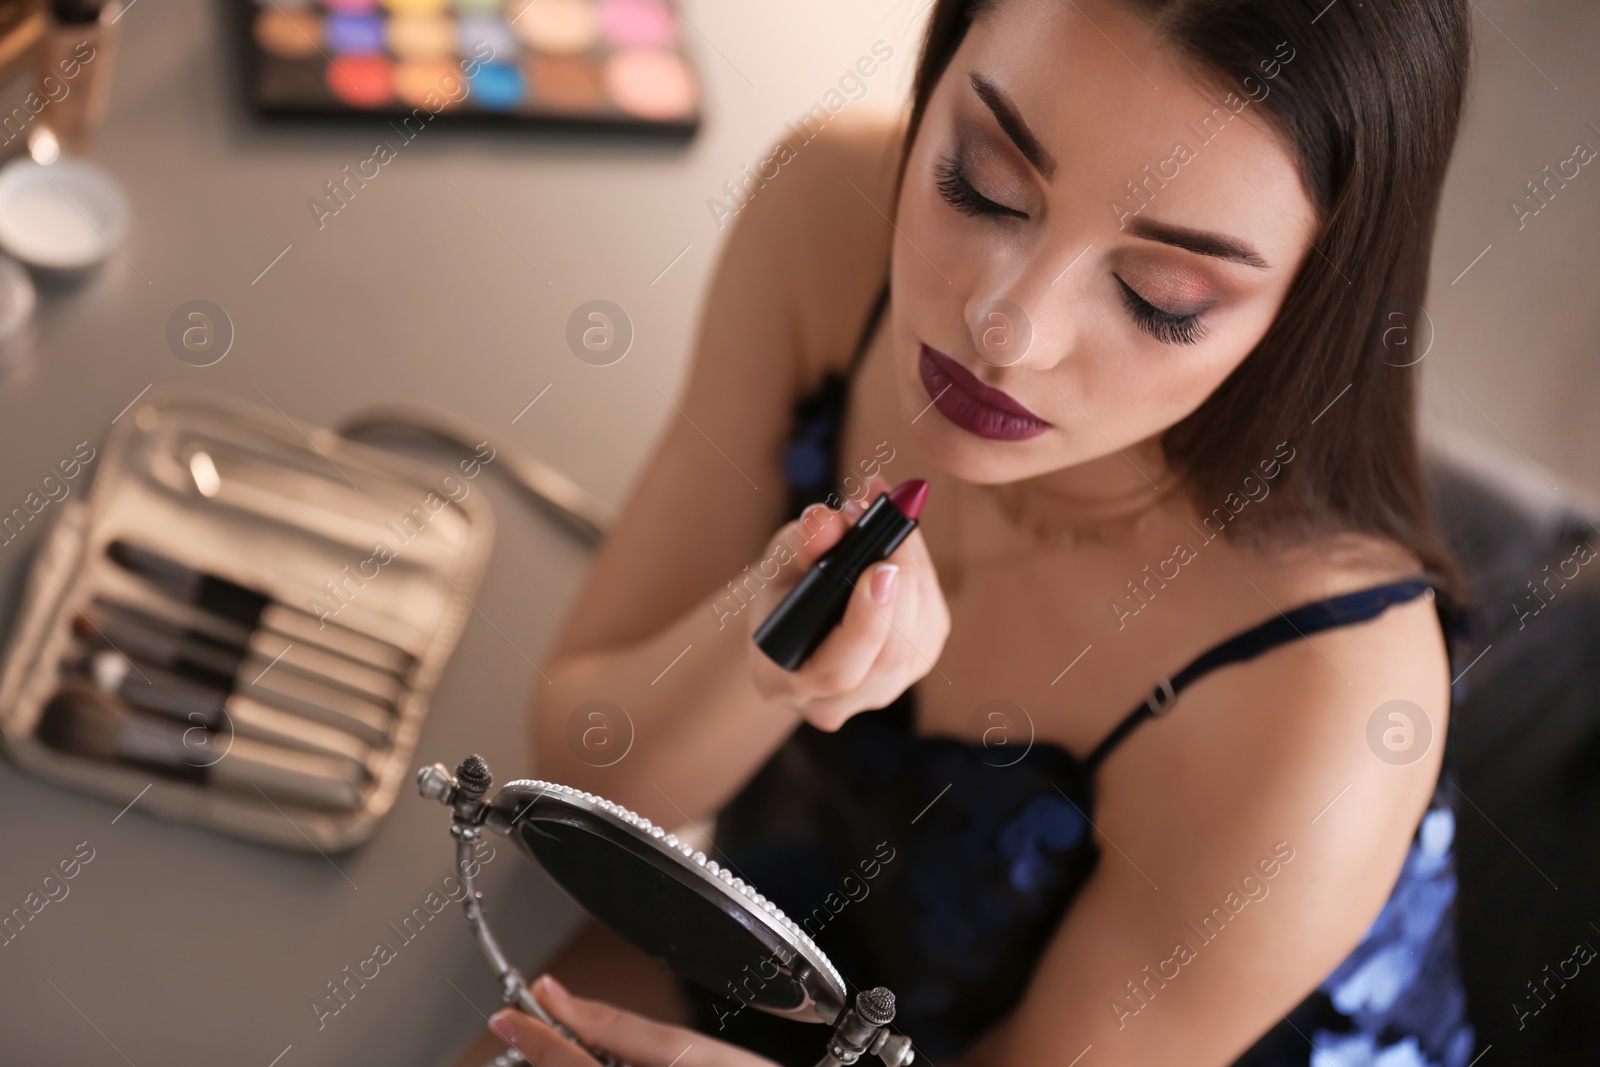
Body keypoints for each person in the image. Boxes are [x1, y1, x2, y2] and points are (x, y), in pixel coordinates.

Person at [462, 0, 1478, 1063]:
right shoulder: (828, 216)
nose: (1007, 326)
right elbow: (585, 778)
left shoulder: (1325, 696)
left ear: (1310, 310)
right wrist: (768, 648)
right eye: (981, 183)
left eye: (1157, 296)